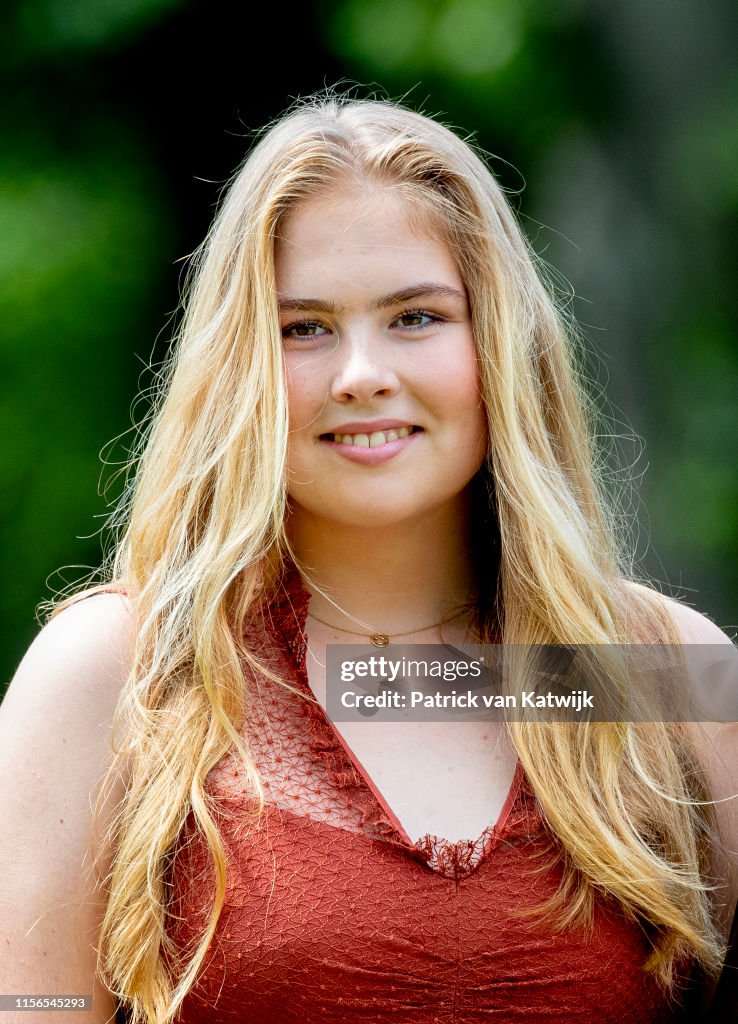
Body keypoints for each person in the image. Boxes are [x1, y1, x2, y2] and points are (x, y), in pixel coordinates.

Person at [1, 92, 736, 1024]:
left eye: (417, 317)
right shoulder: (122, 674)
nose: (361, 373)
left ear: (501, 343)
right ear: (243, 367)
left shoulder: (663, 674)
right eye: (303, 328)